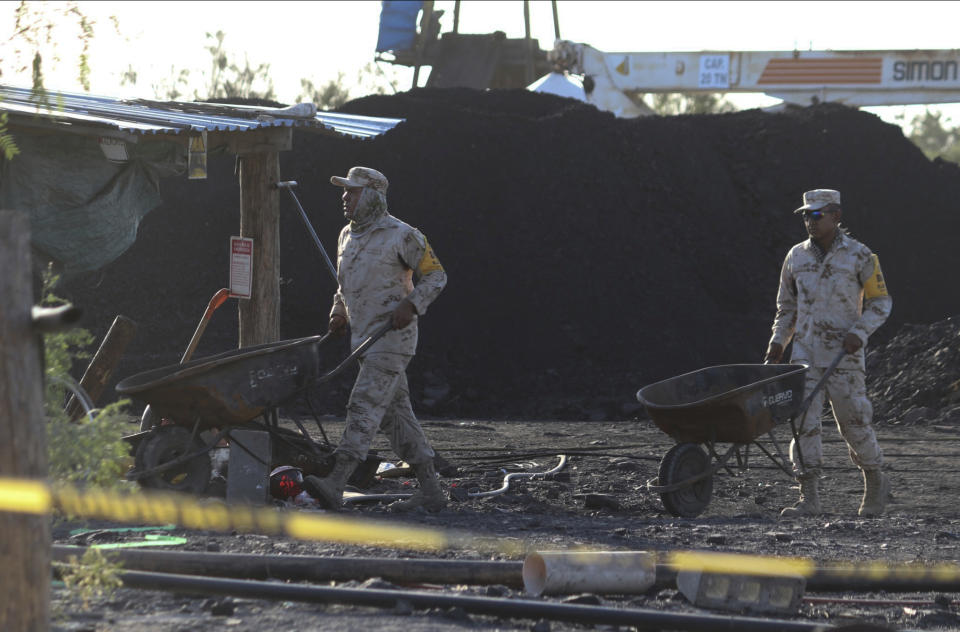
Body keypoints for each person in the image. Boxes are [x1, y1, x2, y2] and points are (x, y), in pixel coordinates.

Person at [303, 166, 448, 512]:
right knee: (396, 417)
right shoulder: (345, 236)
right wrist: (339, 311)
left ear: (373, 196)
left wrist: (411, 304)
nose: (345, 197)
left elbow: (437, 276)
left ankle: (336, 482)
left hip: (393, 339)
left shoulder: (403, 235)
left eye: (352, 192)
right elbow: (345, 285)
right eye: (345, 191)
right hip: (364, 339)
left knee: (364, 404)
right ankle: (430, 490)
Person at [764, 189, 893, 518]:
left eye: (817, 214)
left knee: (853, 424)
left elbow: (881, 303)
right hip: (804, 356)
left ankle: (875, 483)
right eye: (806, 215)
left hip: (844, 357)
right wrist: (779, 341)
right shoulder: (796, 257)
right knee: (803, 424)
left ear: (836, 216)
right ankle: (809, 498)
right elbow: (787, 308)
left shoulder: (861, 256)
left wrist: (859, 333)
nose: (810, 220)